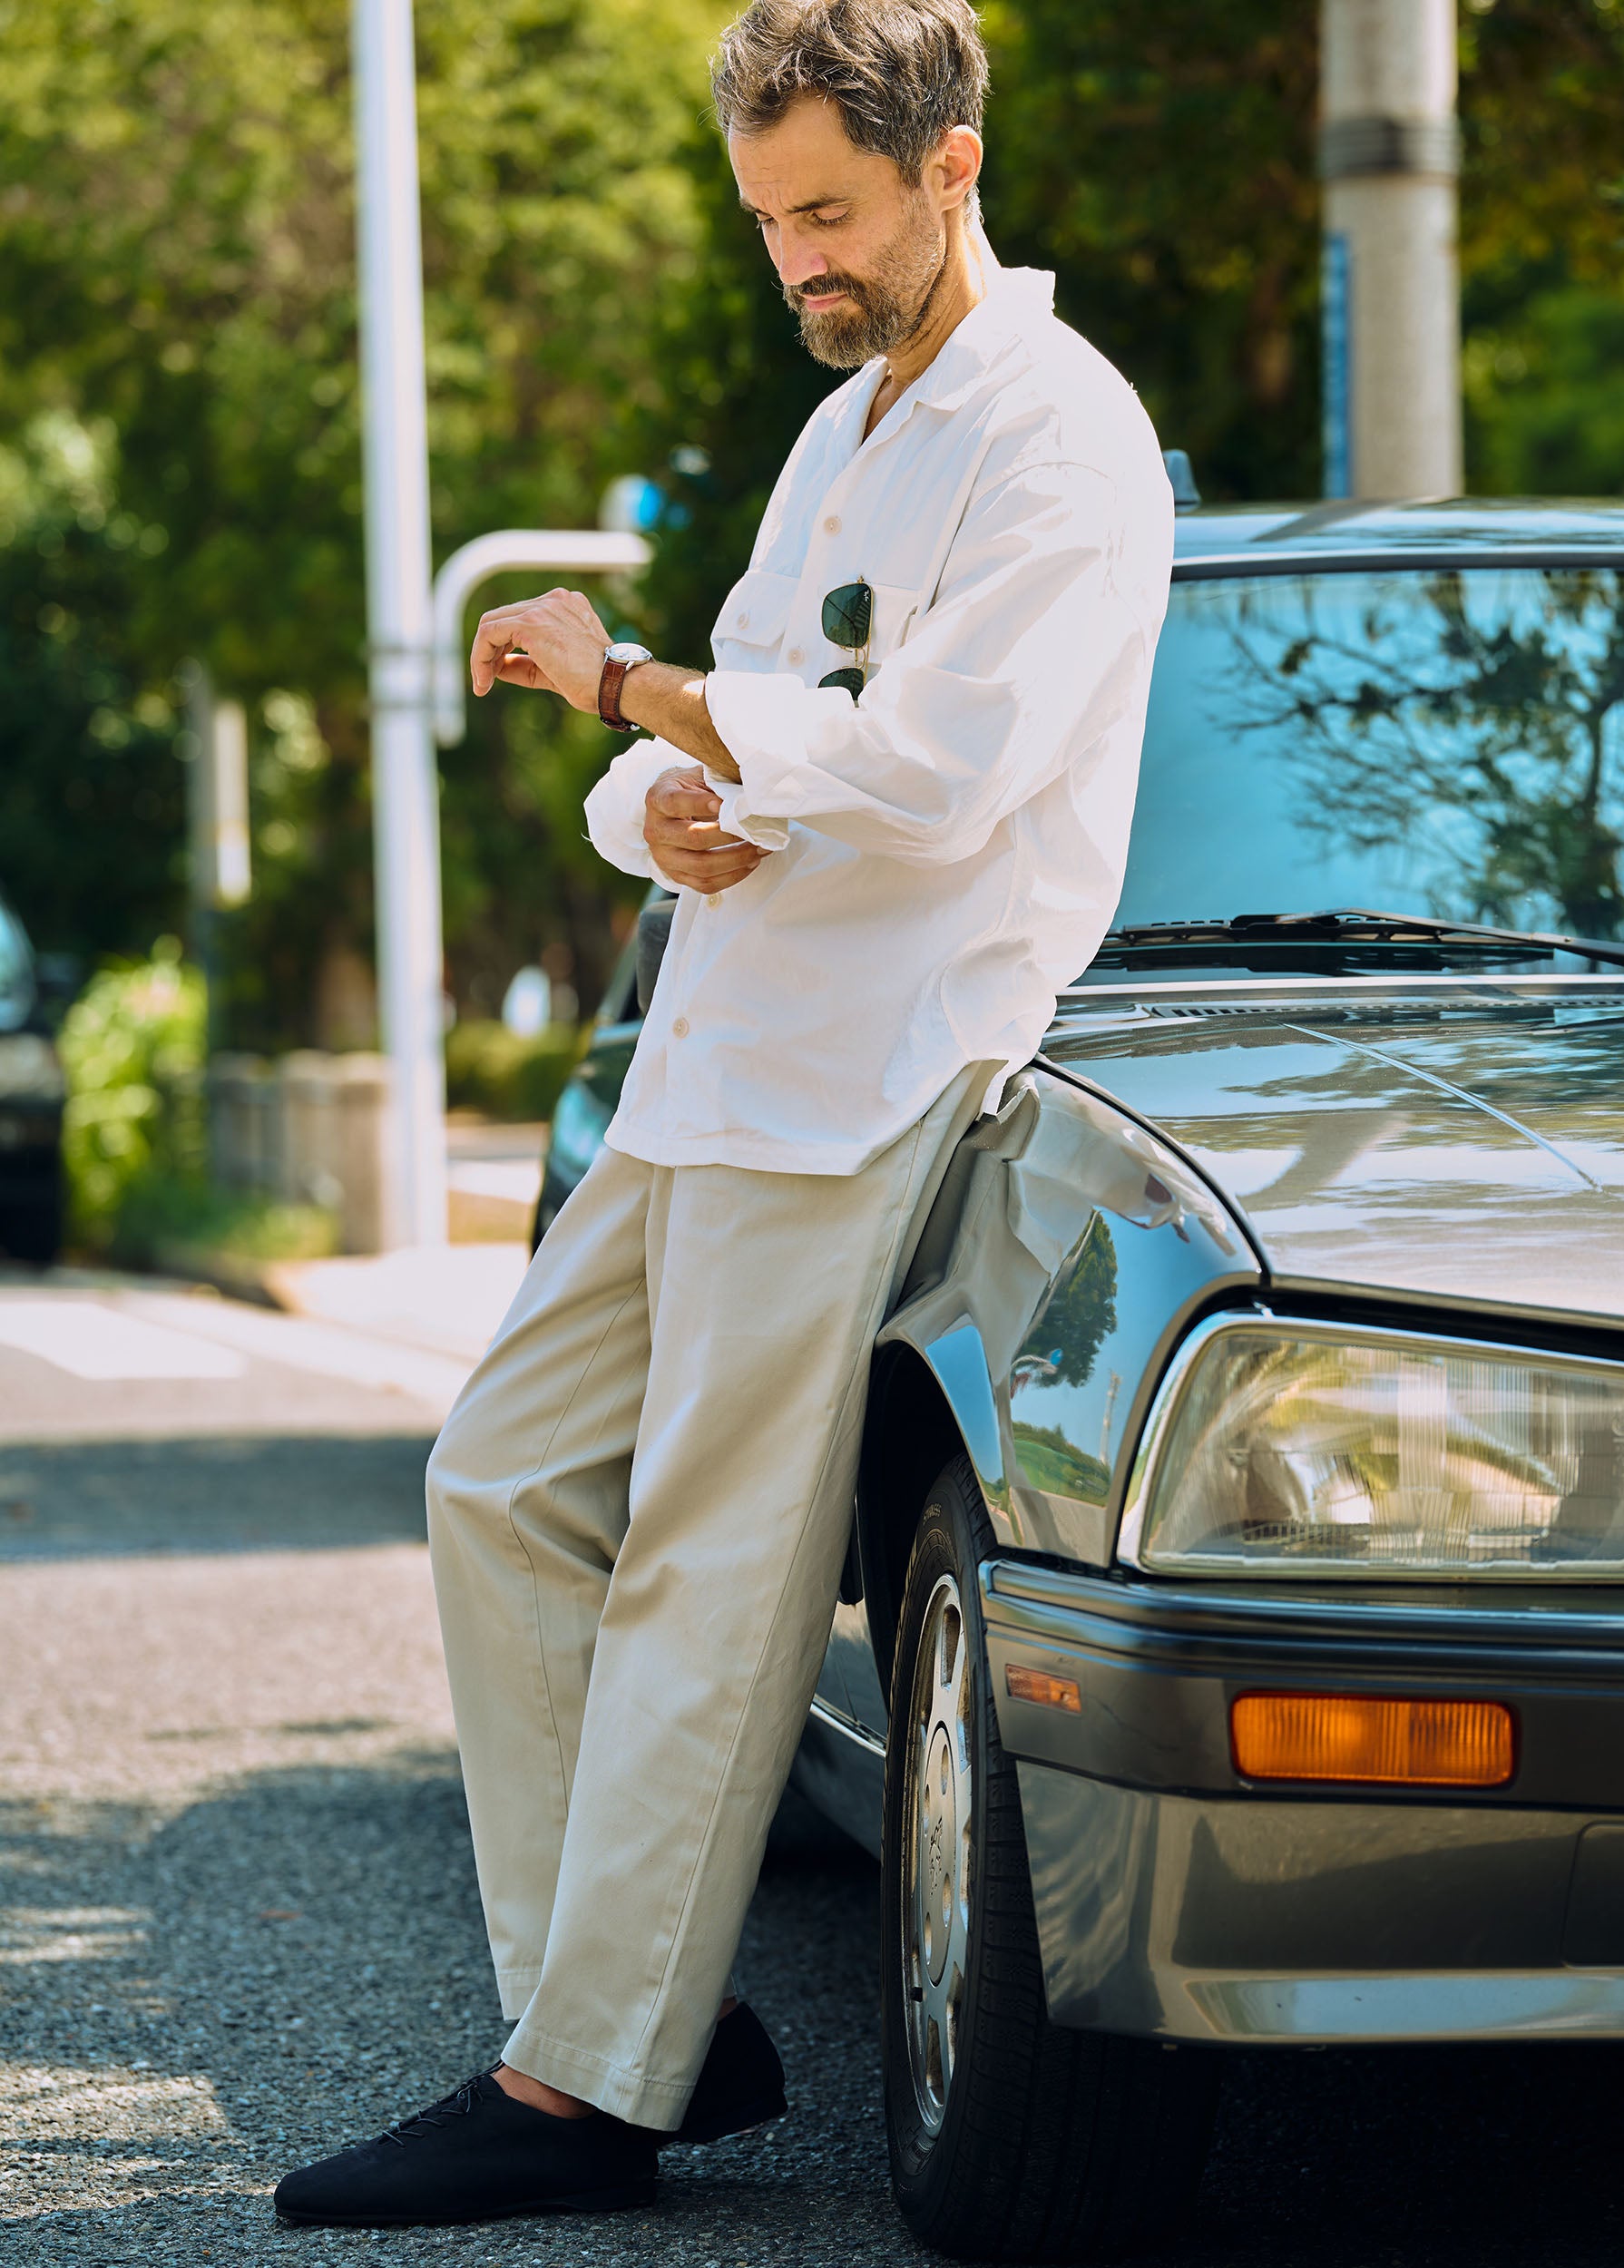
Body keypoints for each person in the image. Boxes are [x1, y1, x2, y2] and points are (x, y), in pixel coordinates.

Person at [275, 0, 1173, 2228]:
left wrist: (651, 700)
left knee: (699, 1576)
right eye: (771, 220)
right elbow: (702, 739)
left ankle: (581, 2089)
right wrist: (651, 798)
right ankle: (646, 2017)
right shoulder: (843, 433)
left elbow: (937, 768)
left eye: (832, 213)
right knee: (496, 1479)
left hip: (869, 1081)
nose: (800, 260)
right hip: (708, 1059)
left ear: (953, 166)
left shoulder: (1058, 437)